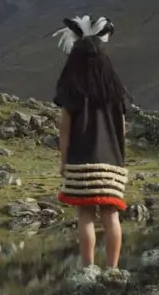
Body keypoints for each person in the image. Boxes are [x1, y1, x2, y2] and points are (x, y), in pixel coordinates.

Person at [52, 14, 129, 268]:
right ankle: (113, 269)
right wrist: (120, 158)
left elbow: (65, 130)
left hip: (80, 161)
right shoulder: (114, 92)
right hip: (112, 162)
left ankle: (87, 269)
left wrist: (63, 161)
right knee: (111, 215)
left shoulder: (72, 91)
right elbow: (122, 129)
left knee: (85, 215)